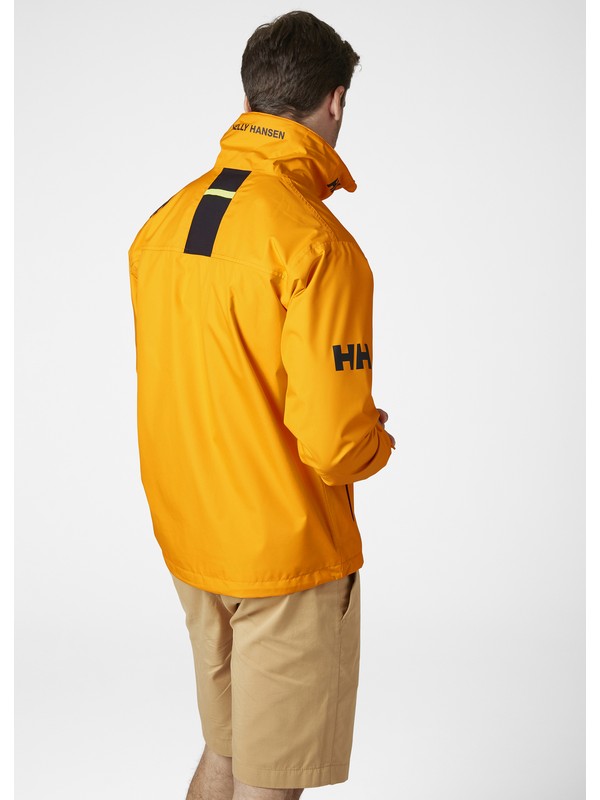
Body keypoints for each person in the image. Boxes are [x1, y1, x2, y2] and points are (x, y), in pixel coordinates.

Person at [128, 10, 395, 800]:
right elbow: (335, 444)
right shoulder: (317, 243)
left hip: (192, 540)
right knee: (271, 781)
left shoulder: (162, 224)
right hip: (285, 553)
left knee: (228, 751)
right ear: (335, 102)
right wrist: (378, 444)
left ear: (253, 96)